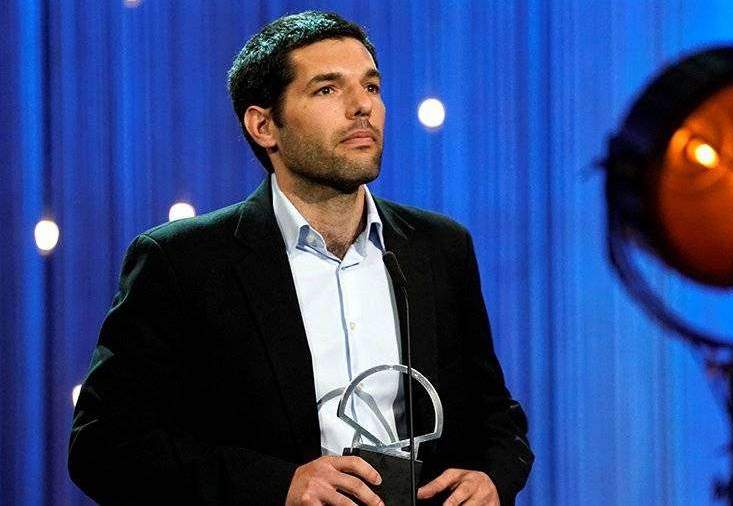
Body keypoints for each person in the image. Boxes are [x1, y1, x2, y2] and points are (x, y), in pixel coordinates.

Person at [68, 10, 533, 506]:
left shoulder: (439, 246)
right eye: (327, 89)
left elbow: (496, 417)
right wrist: (278, 485)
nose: (362, 106)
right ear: (264, 125)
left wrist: (491, 477)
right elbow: (104, 446)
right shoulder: (182, 262)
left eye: (371, 87)